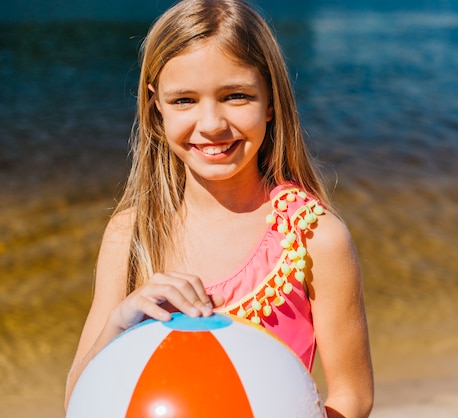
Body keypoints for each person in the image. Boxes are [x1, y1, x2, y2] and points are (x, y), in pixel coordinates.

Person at [64, 0, 373, 416]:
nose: (211, 124)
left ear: (271, 102)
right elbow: (77, 402)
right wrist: (120, 321)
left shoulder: (314, 237)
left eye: (236, 96)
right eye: (184, 101)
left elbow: (352, 398)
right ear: (156, 106)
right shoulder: (131, 234)